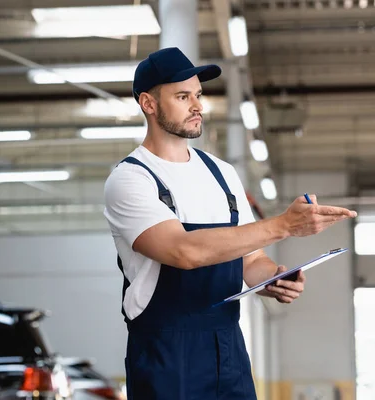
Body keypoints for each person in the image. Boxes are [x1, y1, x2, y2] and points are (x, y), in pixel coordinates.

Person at [103, 47, 357, 400]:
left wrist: (273, 278)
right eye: (182, 96)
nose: (197, 106)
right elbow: (184, 251)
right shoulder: (131, 179)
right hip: (167, 352)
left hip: (229, 346)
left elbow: (250, 260)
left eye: (198, 95)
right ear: (148, 103)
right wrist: (284, 225)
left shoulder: (221, 174)